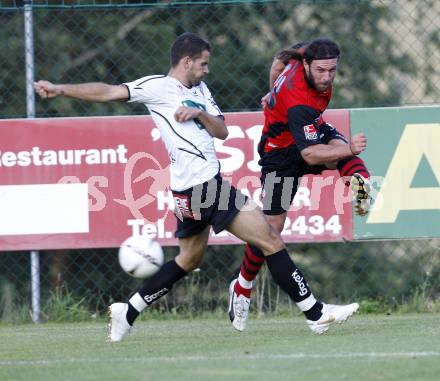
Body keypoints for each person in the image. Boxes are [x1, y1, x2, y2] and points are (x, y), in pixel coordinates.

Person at [35, 32, 359, 342]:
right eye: (203, 63)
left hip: (188, 192)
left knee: (188, 260)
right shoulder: (158, 87)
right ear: (186, 61)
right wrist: (61, 89)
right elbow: (108, 92)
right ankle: (315, 313)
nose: (207, 69)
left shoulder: (200, 89)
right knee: (270, 239)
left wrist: (200, 112)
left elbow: (222, 131)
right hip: (204, 189)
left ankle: (128, 311)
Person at [228, 38, 371, 332]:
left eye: (332, 70)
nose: (327, 77)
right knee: (270, 231)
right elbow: (310, 154)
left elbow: (279, 59)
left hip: (304, 130)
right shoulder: (299, 102)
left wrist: (270, 92)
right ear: (307, 65)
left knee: (336, 143)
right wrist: (352, 151)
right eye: (321, 71)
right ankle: (241, 288)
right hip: (280, 155)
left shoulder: (302, 57)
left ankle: (361, 185)